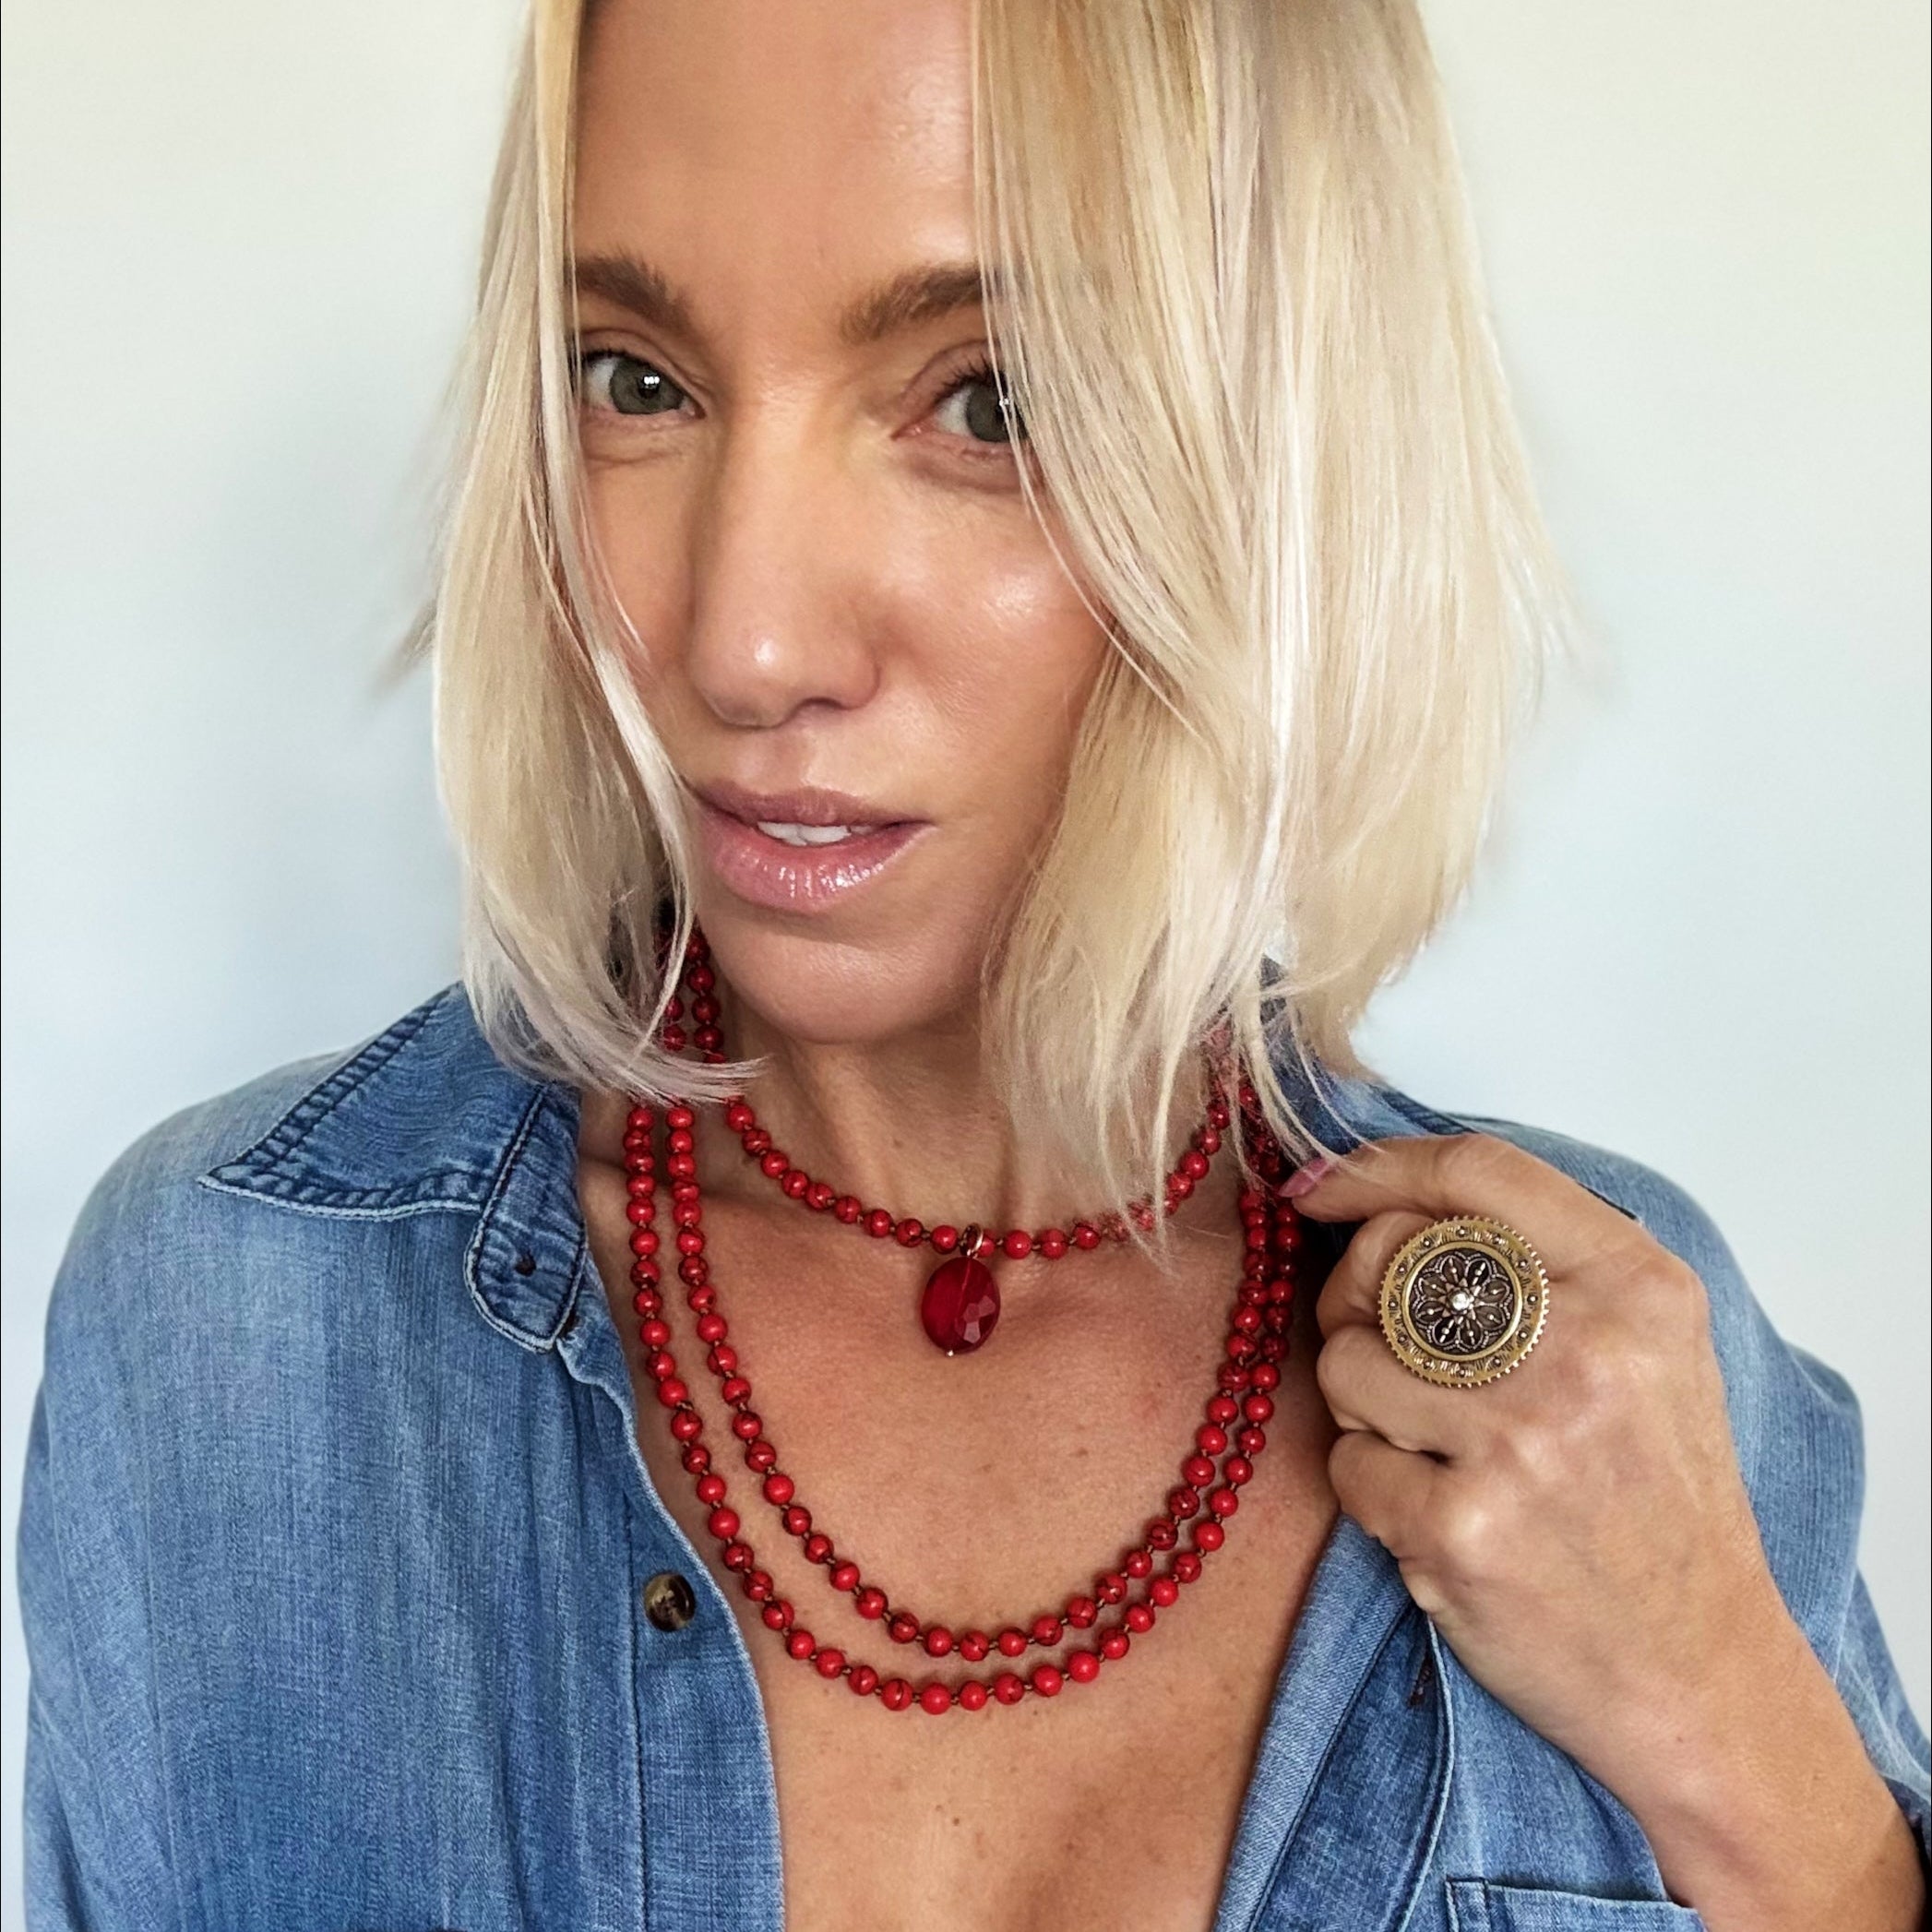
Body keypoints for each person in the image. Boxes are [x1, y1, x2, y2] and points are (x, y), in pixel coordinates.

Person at [18, 0, 1927, 1926]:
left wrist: (1738, 1738)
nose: (748, 642)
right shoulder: (242, 1328)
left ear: (1287, 446)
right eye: (633, 379)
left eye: (990, 402)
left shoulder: (1610, 1372)